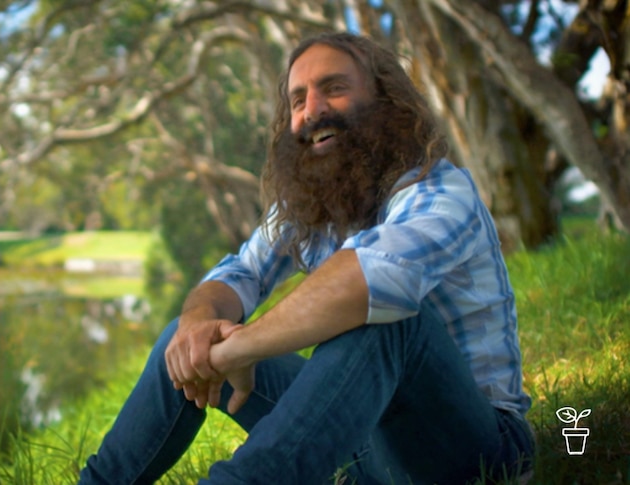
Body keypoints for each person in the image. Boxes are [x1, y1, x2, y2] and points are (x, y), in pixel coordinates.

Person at [78, 31, 535, 484]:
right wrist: (200, 322)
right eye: (298, 100)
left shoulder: (440, 191)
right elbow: (238, 273)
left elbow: (369, 280)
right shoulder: (313, 211)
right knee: (185, 342)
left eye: (334, 88)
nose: (311, 111)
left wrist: (239, 348)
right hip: (366, 443)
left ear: (386, 101)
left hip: (475, 449)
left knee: (391, 322)